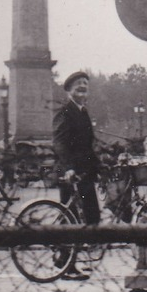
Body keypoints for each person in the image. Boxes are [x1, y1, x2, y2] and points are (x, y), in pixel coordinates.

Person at [52, 71, 101, 281]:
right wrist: (69, 168)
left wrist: (101, 163)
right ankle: (66, 263)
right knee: (72, 219)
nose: (83, 87)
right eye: (78, 84)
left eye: (85, 84)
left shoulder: (82, 112)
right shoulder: (64, 112)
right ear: (69, 90)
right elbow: (60, 144)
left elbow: (87, 145)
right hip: (72, 174)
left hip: (85, 174)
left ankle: (68, 257)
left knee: (91, 216)